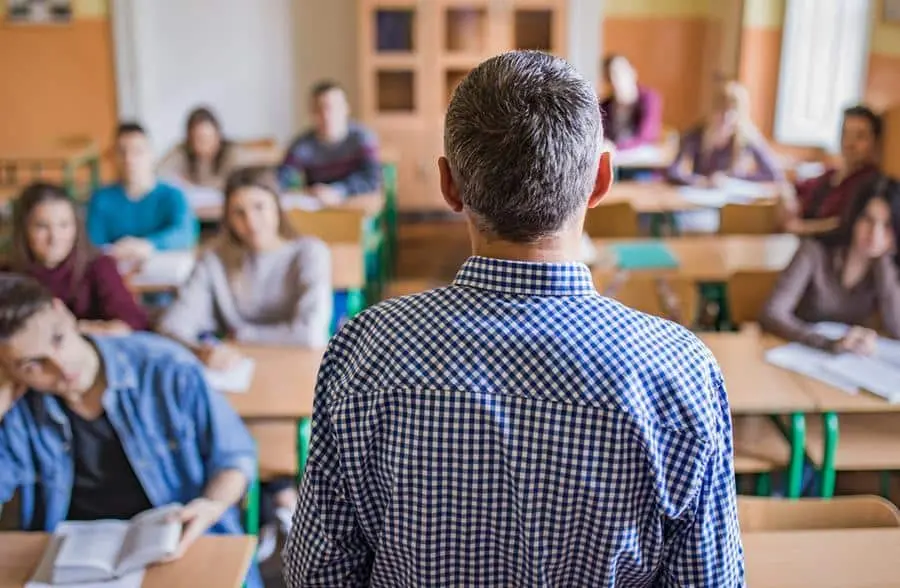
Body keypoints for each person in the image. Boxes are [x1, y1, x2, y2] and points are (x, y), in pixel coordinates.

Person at [283, 51, 742, 586]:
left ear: (448, 185)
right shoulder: (680, 372)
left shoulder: (364, 349)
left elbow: (318, 575)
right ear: (601, 180)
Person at [0, 275, 262, 587]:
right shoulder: (20, 408)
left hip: (178, 545)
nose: (61, 366)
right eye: (33, 365)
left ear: (63, 312)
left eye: (58, 339)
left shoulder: (165, 366)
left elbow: (236, 457)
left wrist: (212, 505)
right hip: (74, 566)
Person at [157, 167, 332, 558]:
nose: (250, 221)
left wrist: (237, 336)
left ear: (277, 206)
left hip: (294, 380)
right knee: (225, 431)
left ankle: (275, 506)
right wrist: (202, 348)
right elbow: (172, 325)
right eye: (238, 212)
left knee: (276, 437)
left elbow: (309, 332)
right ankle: (277, 505)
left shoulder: (308, 252)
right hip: (238, 383)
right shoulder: (216, 260)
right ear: (227, 219)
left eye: (259, 206)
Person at [760, 177, 900, 351]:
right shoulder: (814, 251)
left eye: (886, 226)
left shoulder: (888, 268)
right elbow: (772, 313)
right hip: (798, 350)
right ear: (854, 218)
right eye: (867, 220)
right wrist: (826, 343)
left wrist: (883, 262)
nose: (874, 234)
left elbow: (897, 329)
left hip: (846, 363)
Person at [7, 182, 149, 335]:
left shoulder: (99, 266)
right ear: (24, 230)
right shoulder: (8, 276)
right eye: (42, 226)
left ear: (77, 227)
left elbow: (133, 323)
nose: (55, 237)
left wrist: (78, 330)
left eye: (64, 225)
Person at [87, 122, 198, 263]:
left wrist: (147, 245)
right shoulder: (101, 199)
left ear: (151, 154)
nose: (129, 159)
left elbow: (185, 233)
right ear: (114, 157)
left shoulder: (173, 195)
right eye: (122, 152)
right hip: (116, 270)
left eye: (137, 151)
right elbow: (93, 244)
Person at [279, 81, 381, 204]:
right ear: (312, 112)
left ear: (346, 109)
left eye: (333, 107)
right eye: (319, 109)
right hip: (317, 206)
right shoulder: (302, 145)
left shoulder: (362, 138)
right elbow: (282, 177)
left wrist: (338, 191)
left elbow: (373, 179)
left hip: (354, 203)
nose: (326, 115)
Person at [667, 80, 781, 187]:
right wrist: (699, 181)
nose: (726, 117)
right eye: (721, 110)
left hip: (733, 202)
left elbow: (772, 173)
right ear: (712, 109)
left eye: (732, 111)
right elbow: (673, 172)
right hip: (701, 198)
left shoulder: (747, 136)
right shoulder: (695, 134)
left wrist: (731, 180)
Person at [786, 105, 883, 230]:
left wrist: (803, 228)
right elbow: (799, 189)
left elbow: (846, 224)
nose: (850, 143)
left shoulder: (873, 185)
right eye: (845, 134)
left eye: (860, 136)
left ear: (874, 142)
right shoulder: (831, 175)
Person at [158, 107, 239, 190]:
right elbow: (159, 172)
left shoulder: (233, 153)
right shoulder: (182, 151)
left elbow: (240, 182)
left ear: (218, 135)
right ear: (189, 140)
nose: (204, 144)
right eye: (198, 139)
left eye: (209, 138)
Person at [599, 54, 662, 151]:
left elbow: (646, 136)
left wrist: (615, 147)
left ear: (633, 72)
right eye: (612, 75)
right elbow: (600, 136)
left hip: (642, 160)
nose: (617, 79)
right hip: (617, 160)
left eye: (621, 72)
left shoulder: (649, 99)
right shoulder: (605, 106)